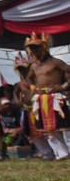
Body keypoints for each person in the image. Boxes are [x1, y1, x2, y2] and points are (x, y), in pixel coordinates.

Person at [24, 32, 70, 160]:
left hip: (56, 98)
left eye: (36, 47)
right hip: (41, 99)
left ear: (44, 47)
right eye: (32, 48)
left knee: (65, 127)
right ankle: (61, 154)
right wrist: (33, 88)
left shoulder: (56, 62)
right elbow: (29, 79)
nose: (34, 50)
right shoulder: (34, 66)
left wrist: (64, 86)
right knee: (49, 129)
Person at [13, 52, 55, 159]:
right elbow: (15, 92)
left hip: (40, 107)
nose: (22, 71)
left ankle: (56, 151)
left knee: (46, 131)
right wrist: (18, 101)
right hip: (28, 109)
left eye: (24, 68)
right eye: (20, 69)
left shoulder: (37, 79)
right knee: (33, 134)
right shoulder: (21, 83)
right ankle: (46, 152)